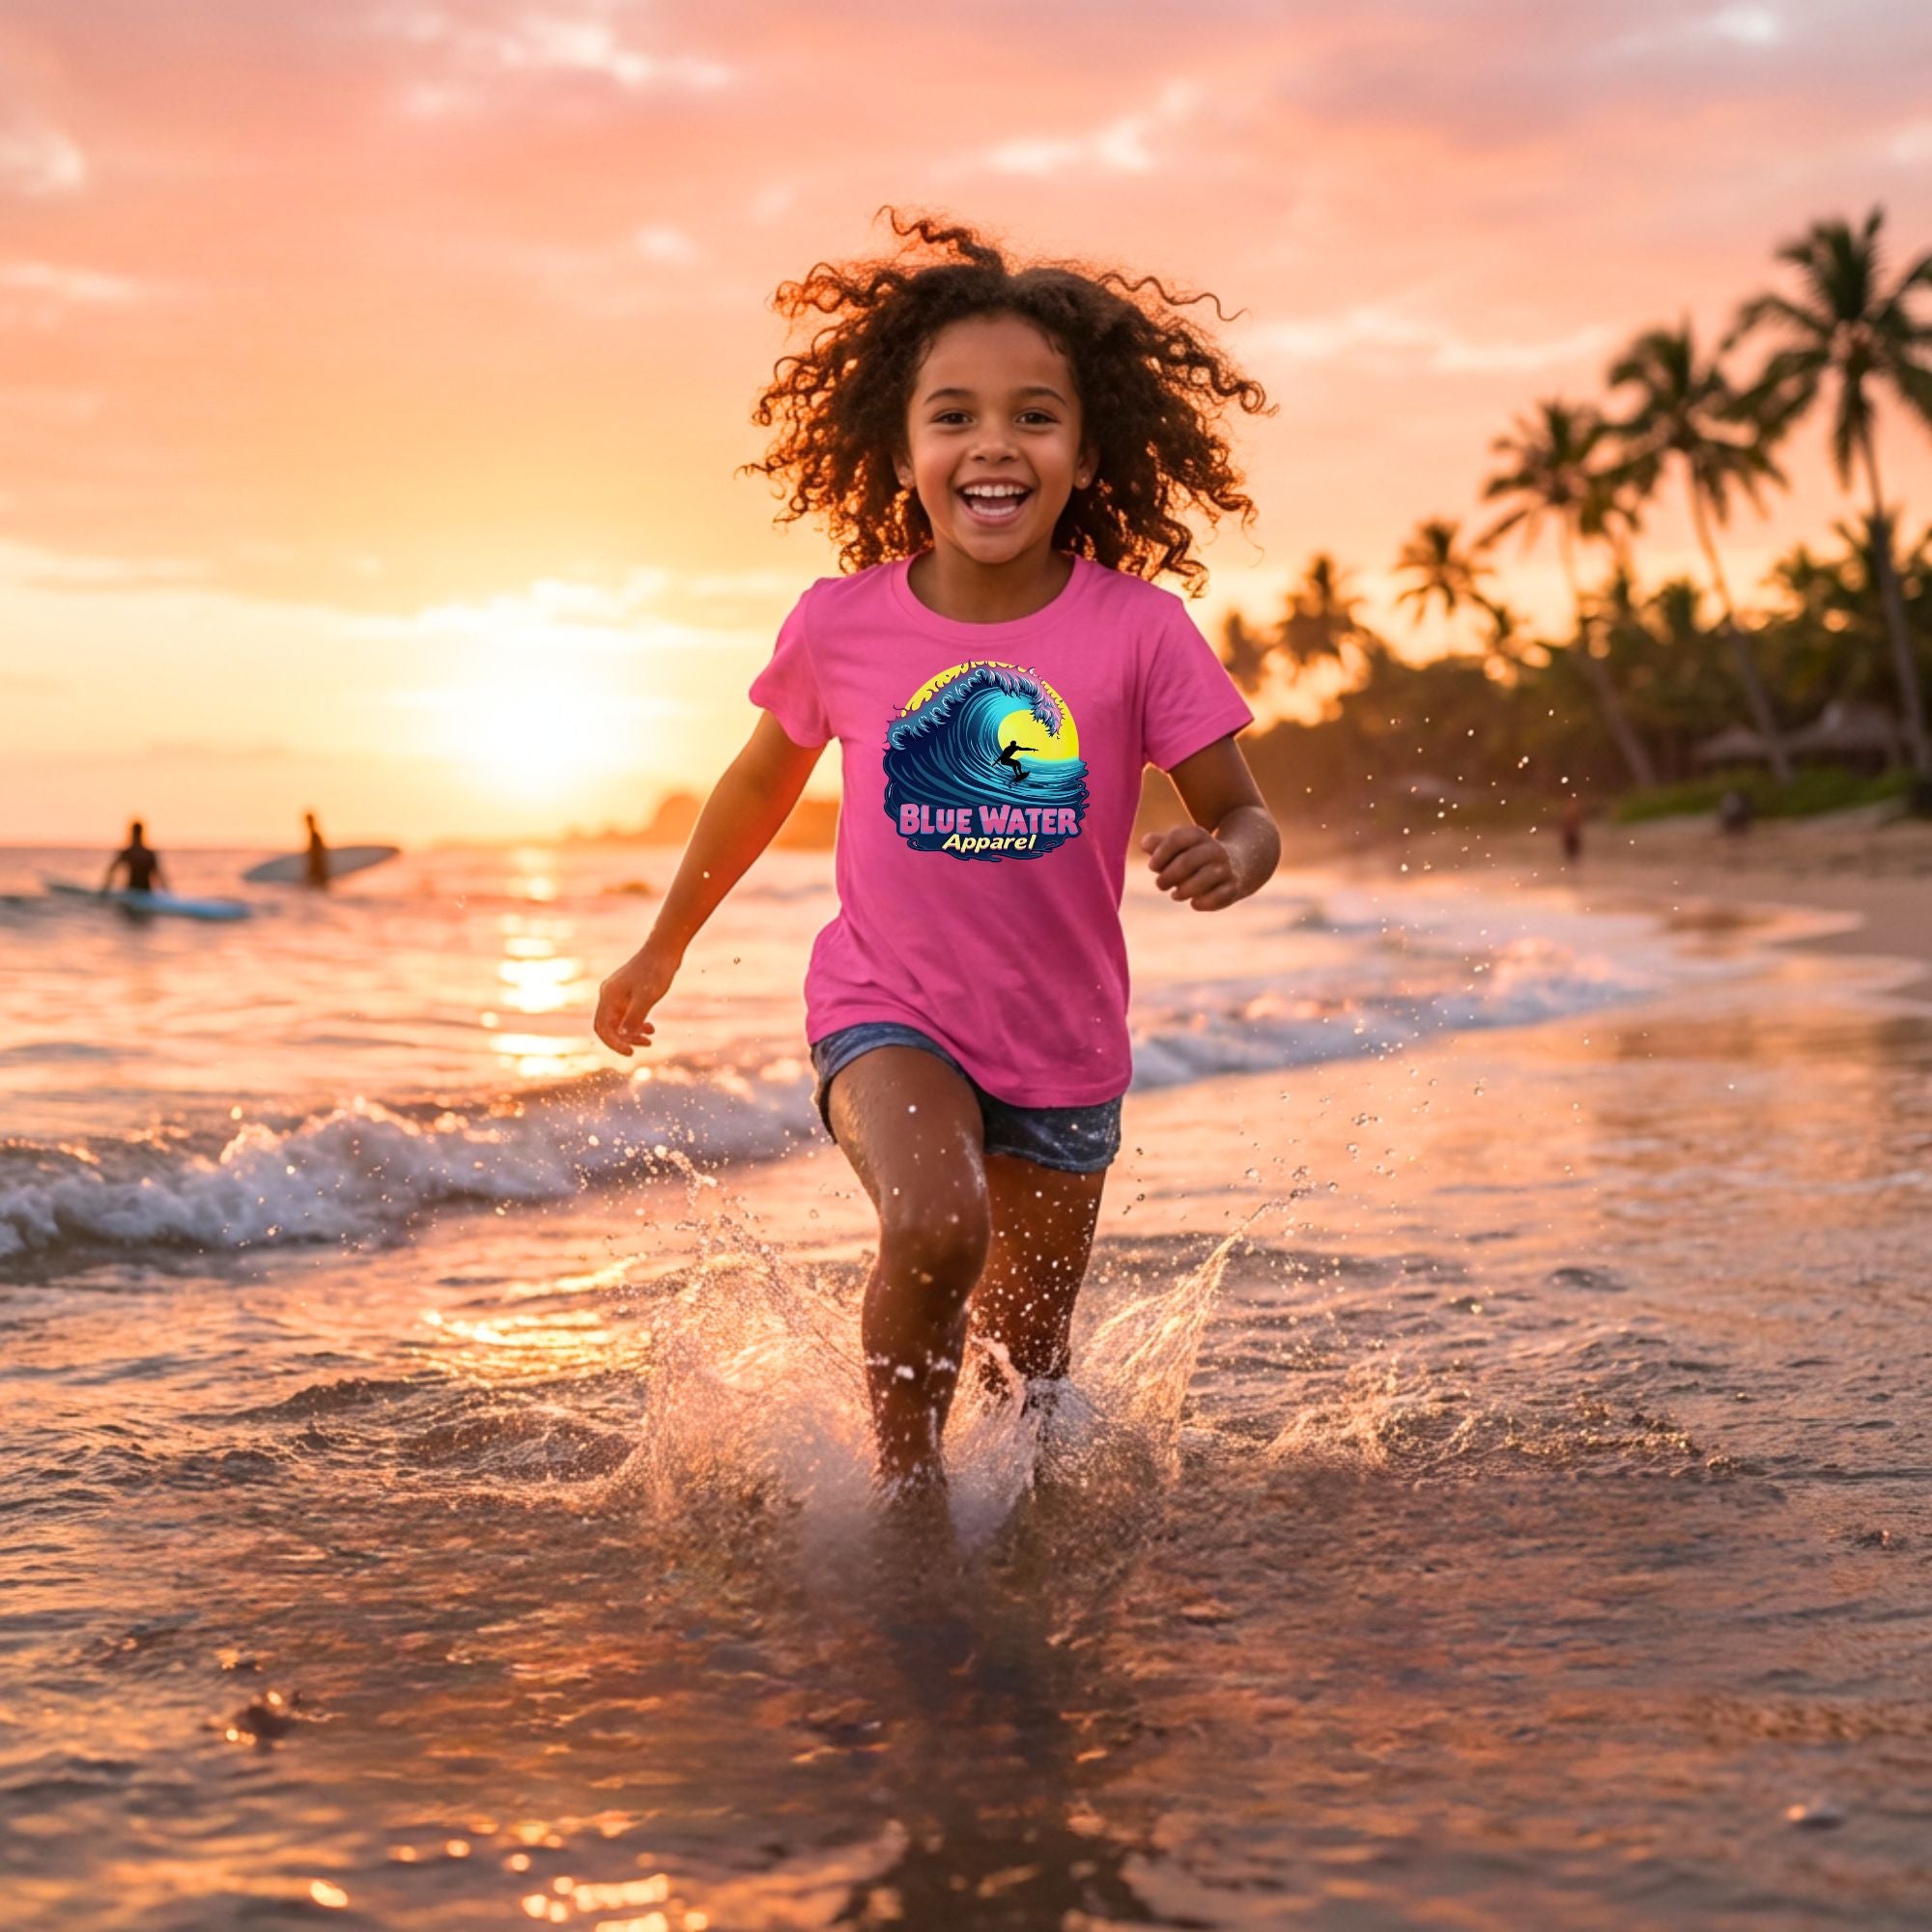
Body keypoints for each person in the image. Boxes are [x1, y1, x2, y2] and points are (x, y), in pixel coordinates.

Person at [594, 213, 1280, 1494]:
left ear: (1085, 454)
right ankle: (906, 1504)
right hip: (885, 1009)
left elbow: (1245, 809)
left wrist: (1234, 855)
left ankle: (1004, 1527)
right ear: (902, 451)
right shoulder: (841, 625)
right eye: (953, 415)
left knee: (1028, 1365)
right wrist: (660, 945)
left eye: (1034, 416)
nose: (993, 445)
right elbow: (754, 786)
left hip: (1065, 1043)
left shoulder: (1139, 633)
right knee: (933, 1225)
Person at [101, 820, 166, 895]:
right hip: (144, 892)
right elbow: (159, 875)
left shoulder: (129, 852)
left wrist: (105, 889)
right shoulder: (148, 853)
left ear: (132, 833)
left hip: (135, 891)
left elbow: (112, 870)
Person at [302, 811, 331, 889]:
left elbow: (318, 854)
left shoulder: (315, 836)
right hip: (317, 869)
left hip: (318, 869)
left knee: (318, 889)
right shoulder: (313, 835)